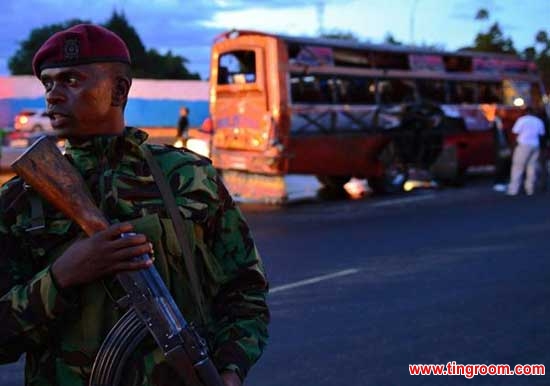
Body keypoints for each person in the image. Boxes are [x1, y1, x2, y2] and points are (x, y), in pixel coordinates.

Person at [0, 24, 269, 386]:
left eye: (71, 81)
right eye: (48, 83)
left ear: (119, 90)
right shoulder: (23, 198)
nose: (53, 96)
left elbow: (244, 289)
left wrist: (231, 369)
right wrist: (61, 277)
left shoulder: (189, 178)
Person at [507, 106, 546, 195]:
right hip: (535, 145)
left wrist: (513, 146)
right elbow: (541, 134)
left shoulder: (522, 120)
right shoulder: (538, 121)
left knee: (518, 167)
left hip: (523, 145)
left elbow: (515, 132)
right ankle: (530, 189)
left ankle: (514, 189)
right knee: (532, 167)